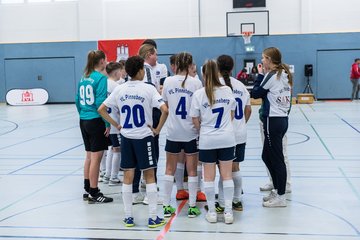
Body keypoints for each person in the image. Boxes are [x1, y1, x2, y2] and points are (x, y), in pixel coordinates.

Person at [98, 55, 168, 228]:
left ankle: (128, 217)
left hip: (127, 138)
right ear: (139, 71)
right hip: (144, 137)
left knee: (128, 176)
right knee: (149, 175)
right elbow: (165, 110)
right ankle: (152, 217)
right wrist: (157, 129)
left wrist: (117, 125)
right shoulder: (148, 88)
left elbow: (101, 109)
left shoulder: (119, 89)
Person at [190, 60, 236, 224]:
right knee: (227, 176)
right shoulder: (227, 90)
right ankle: (229, 212)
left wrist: (203, 129)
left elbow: (195, 119)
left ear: (203, 75)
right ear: (218, 73)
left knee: (208, 178)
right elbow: (231, 114)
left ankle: (212, 213)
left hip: (207, 139)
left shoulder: (199, 94)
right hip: (226, 138)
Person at [161, 52, 203, 218]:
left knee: (169, 169)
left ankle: (165, 206)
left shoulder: (168, 81)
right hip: (191, 132)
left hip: (173, 131)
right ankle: (192, 207)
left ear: (176, 64)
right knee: (192, 170)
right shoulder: (196, 83)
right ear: (190, 65)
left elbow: (165, 105)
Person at [251, 47, 292, 208]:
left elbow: (256, 93)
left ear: (269, 59)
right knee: (267, 156)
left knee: (277, 158)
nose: (261, 61)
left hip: (273, 120)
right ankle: (277, 189)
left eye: (263, 58)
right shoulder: (285, 75)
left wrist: (259, 75)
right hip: (282, 120)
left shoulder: (271, 75)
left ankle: (281, 196)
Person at [75, 50, 113, 203]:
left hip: (83, 120)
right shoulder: (101, 78)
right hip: (96, 120)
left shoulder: (84, 77)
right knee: (97, 158)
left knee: (89, 156)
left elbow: (77, 100)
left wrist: (82, 114)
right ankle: (94, 192)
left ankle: (87, 188)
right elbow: (100, 104)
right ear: (102, 61)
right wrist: (107, 123)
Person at [216, 55, 251, 212]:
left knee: (223, 170)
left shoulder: (216, 86)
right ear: (232, 68)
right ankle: (237, 201)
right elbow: (248, 110)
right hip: (239, 133)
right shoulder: (241, 86)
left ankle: (222, 203)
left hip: (222, 133)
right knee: (235, 167)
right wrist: (241, 123)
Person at [101, 62, 123, 186]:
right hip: (115, 122)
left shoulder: (103, 84)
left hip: (106, 121)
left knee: (111, 148)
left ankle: (107, 174)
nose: (121, 73)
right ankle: (113, 177)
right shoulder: (116, 86)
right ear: (116, 72)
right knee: (117, 150)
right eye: (120, 71)